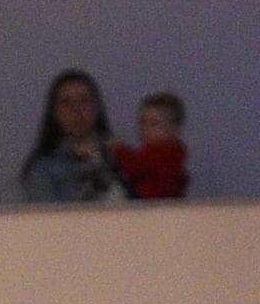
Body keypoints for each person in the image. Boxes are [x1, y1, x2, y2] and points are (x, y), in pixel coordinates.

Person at [21, 73, 131, 206]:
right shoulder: (43, 168)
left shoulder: (122, 155)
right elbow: (47, 220)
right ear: (55, 112)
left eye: (84, 101)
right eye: (66, 103)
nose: (76, 110)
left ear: (97, 107)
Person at [114, 94, 190, 202]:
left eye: (153, 123)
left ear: (173, 129)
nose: (145, 128)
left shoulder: (161, 151)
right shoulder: (175, 151)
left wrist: (119, 149)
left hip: (152, 202)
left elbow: (134, 166)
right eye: (142, 122)